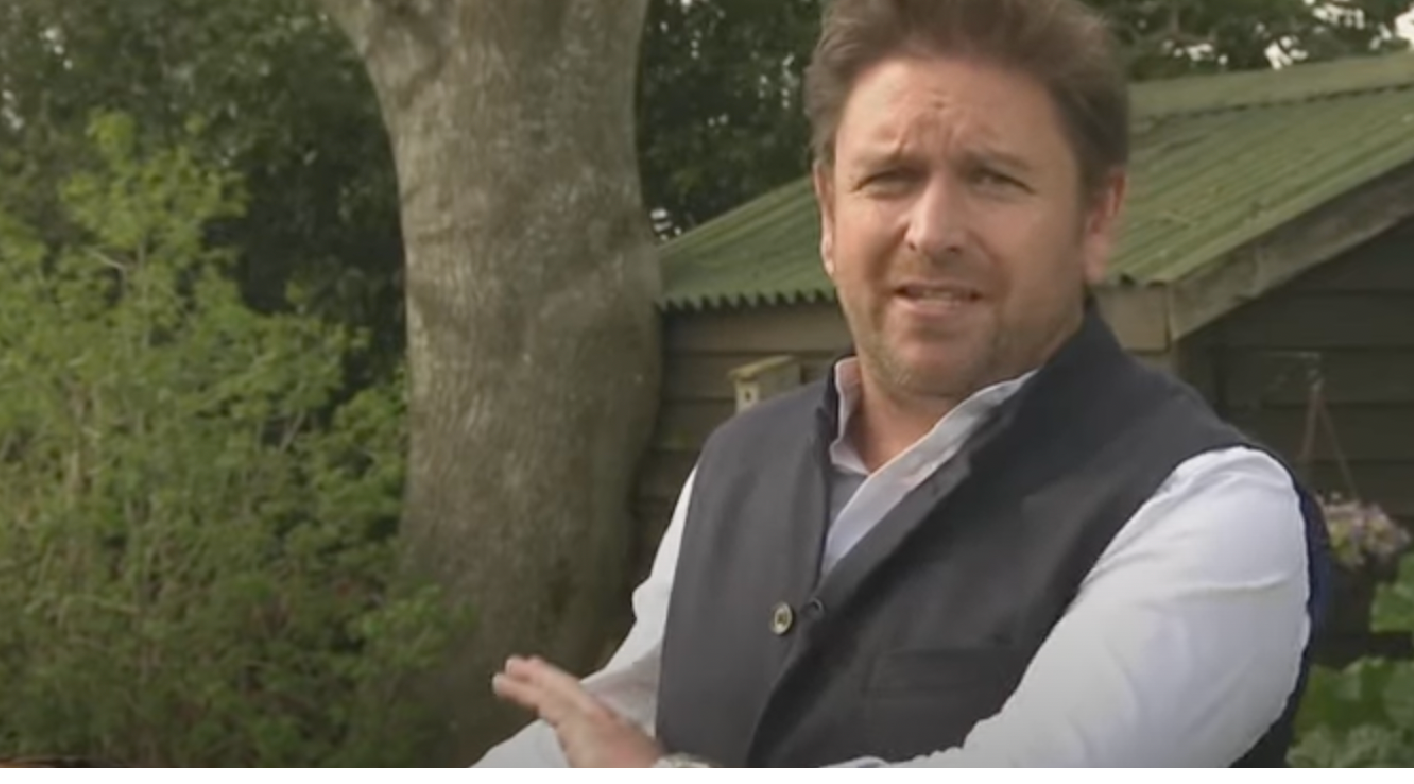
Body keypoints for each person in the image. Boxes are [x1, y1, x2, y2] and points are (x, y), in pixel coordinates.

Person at [475, 0, 1330, 769]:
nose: (932, 231)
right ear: (827, 214)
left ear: (1096, 219)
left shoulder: (1209, 507)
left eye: (993, 179)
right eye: (890, 179)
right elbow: (621, 709)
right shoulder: (740, 463)